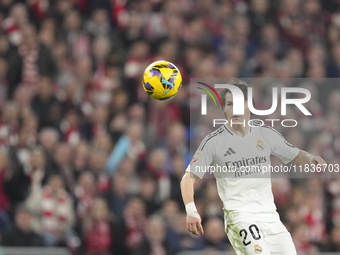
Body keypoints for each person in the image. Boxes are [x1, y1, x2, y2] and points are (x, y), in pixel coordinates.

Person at [180, 78, 327, 255]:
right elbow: (187, 179)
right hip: (241, 218)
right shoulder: (214, 142)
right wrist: (191, 210)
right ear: (224, 109)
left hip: (271, 218)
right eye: (229, 104)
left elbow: (294, 154)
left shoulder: (264, 133)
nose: (234, 108)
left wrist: (311, 159)